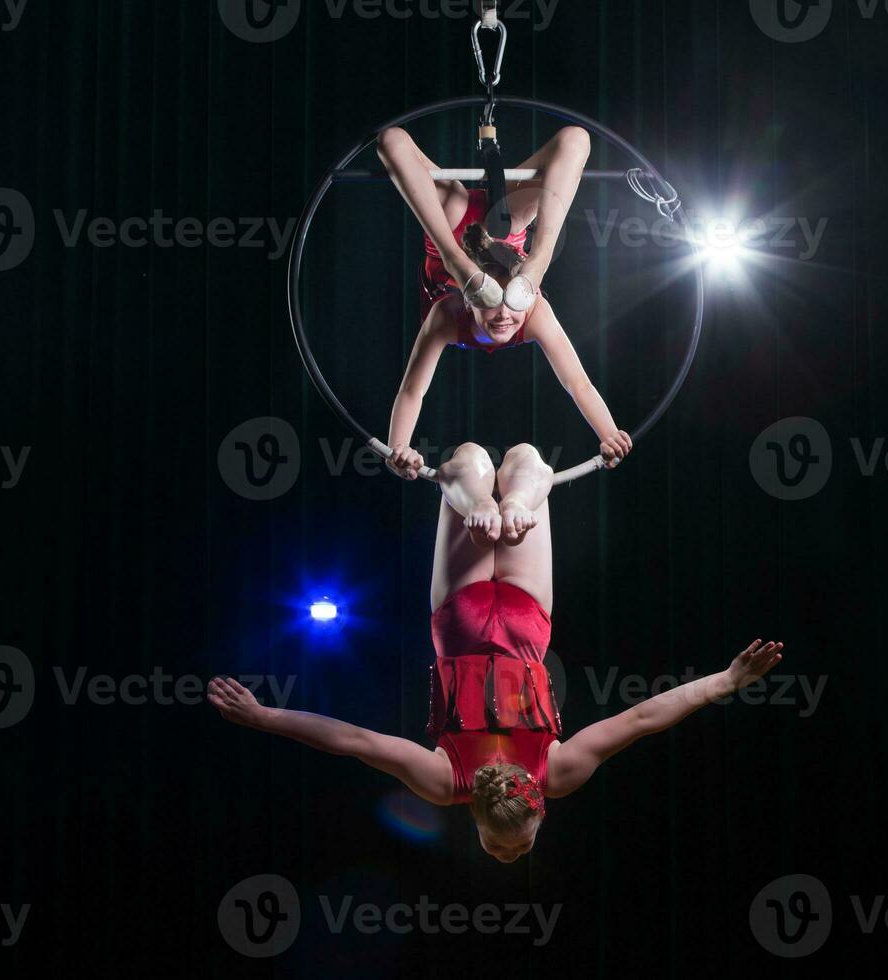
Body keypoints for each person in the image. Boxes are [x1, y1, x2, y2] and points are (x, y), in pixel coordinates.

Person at [208, 443, 785, 863]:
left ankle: (489, 500)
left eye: (503, 843)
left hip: (515, 616)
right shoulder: (449, 782)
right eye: (516, 843)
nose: (509, 848)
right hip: (476, 619)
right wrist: (266, 718)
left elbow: (640, 719)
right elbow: (356, 742)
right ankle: (485, 499)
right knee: (497, 464)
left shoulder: (546, 773)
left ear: (537, 813)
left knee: (508, 464)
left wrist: (722, 684)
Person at [374, 125, 633, 479]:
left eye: (511, 304)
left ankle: (523, 262)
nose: (504, 315)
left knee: (394, 142)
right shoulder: (479, 312)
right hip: (504, 229)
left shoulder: (460, 315)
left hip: (451, 228)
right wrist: (398, 447)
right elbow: (412, 390)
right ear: (468, 303)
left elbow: (578, 383)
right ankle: (484, 262)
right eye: (492, 303)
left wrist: (609, 435)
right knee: (574, 141)